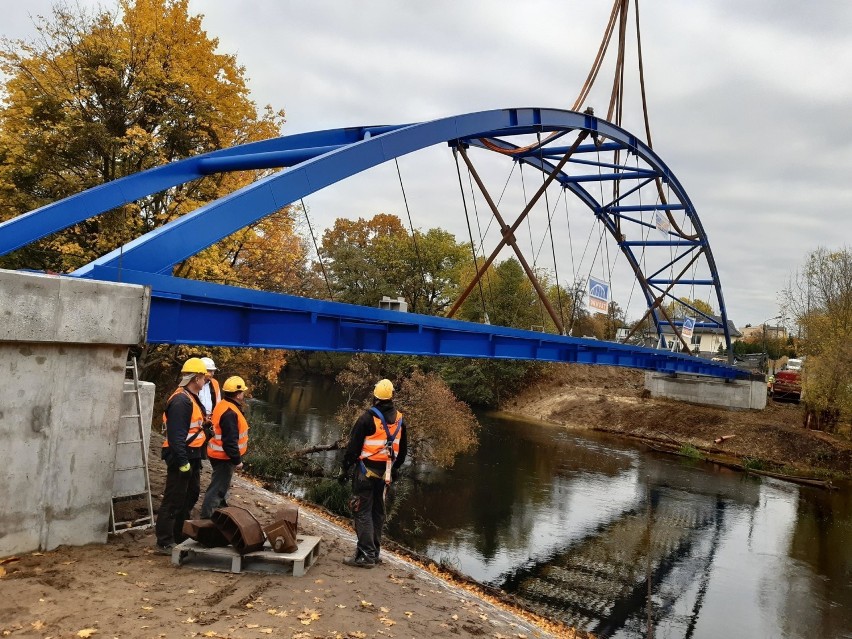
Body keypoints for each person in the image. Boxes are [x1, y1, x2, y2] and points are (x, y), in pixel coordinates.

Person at [338, 378, 407, 568]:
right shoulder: (400, 420)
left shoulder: (367, 418)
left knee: (362, 512)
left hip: (365, 473)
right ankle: (373, 553)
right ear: (391, 396)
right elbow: (402, 453)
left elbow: (352, 450)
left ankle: (366, 555)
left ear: (375, 396)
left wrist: (344, 469)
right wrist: (394, 470)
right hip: (385, 475)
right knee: (377, 513)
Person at [154, 357, 210, 554]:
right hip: (181, 456)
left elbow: (191, 429)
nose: (206, 381)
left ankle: (179, 534)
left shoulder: (190, 398)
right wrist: (183, 463)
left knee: (191, 494)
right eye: (204, 377)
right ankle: (164, 540)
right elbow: (177, 437)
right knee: (174, 498)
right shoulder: (180, 401)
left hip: (191, 455)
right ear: (196, 378)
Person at [201, 376, 250, 518]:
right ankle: (206, 518)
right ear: (238, 393)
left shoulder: (223, 405)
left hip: (218, 454)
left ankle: (220, 512)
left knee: (222, 487)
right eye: (242, 392)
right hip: (224, 458)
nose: (243, 394)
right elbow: (230, 441)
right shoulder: (230, 412)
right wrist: (237, 460)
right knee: (217, 489)